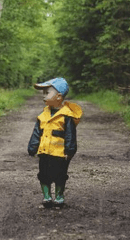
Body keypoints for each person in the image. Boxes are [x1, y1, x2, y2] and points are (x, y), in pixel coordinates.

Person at [28, 77, 83, 207]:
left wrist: (70, 150)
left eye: (47, 93)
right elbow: (37, 132)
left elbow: (70, 135)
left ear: (58, 96)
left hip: (60, 154)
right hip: (45, 151)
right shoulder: (43, 115)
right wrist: (33, 147)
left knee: (60, 175)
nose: (44, 96)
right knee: (43, 174)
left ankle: (59, 196)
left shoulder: (66, 116)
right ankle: (46, 196)